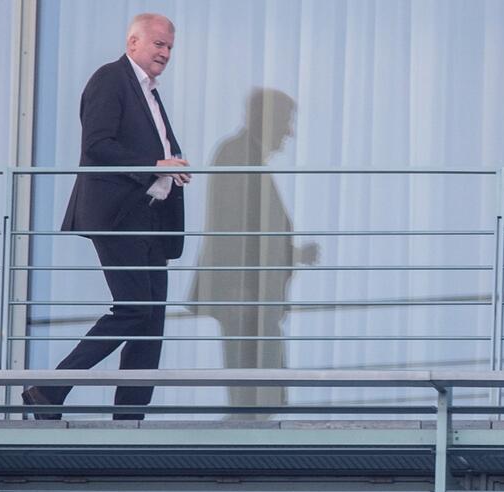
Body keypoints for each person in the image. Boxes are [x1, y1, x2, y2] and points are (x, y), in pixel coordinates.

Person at [22, 13, 190, 420]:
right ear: (133, 43)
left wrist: (171, 167)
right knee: (134, 309)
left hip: (151, 219)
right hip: (119, 216)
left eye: (169, 47)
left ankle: (129, 421)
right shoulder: (111, 79)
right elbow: (97, 146)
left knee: (150, 322)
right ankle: (48, 389)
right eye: (158, 45)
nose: (166, 53)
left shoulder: (148, 91)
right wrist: (157, 163)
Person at [188, 88, 318, 420]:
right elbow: (228, 225)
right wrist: (236, 287)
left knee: (263, 390)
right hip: (245, 296)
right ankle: (242, 455)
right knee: (253, 390)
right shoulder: (236, 155)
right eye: (286, 121)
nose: (290, 132)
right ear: (267, 119)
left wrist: (293, 252)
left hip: (253, 295)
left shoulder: (244, 156)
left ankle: (249, 443)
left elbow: (251, 231)